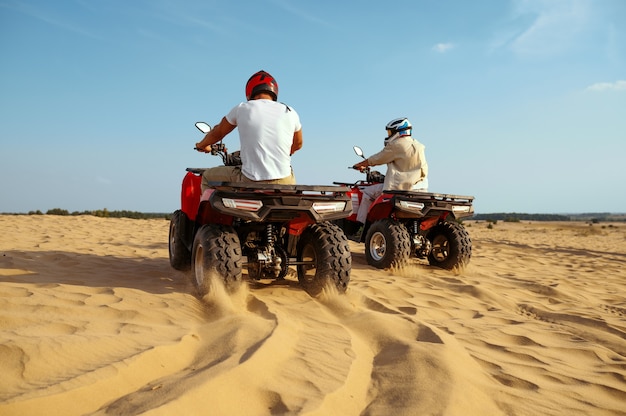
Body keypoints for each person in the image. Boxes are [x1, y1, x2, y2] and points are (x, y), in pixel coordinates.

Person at [195, 70, 303, 194]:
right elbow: (298, 144)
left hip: (251, 180)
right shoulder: (289, 111)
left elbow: (218, 132)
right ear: (274, 91)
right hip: (285, 181)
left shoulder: (243, 108)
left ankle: (211, 214)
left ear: (249, 92)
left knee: (207, 177)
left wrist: (202, 145)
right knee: (288, 172)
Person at [350, 117, 428, 239]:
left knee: (367, 193)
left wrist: (360, 164)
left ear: (398, 131)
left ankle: (360, 227)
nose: (389, 135)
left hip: (398, 188)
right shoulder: (419, 145)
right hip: (419, 189)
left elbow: (378, 158)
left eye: (390, 132)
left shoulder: (397, 145)